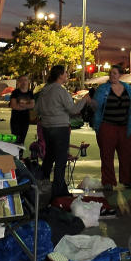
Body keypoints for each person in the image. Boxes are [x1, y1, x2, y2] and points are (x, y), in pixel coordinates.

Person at [35, 65, 87, 198]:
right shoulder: (60, 90)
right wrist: (84, 100)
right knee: (61, 159)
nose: (67, 75)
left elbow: (38, 109)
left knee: (49, 156)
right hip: (60, 127)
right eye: (65, 73)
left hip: (47, 127)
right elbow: (73, 109)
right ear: (60, 75)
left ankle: (42, 182)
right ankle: (58, 189)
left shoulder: (45, 90)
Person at [92, 65, 131, 191]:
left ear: (120, 75)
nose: (112, 75)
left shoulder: (127, 87)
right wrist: (90, 102)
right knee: (107, 154)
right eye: (111, 73)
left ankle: (127, 180)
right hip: (107, 126)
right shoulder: (103, 88)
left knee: (126, 154)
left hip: (124, 126)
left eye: (114, 73)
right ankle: (108, 182)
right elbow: (96, 106)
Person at [9, 74, 35, 144]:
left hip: (25, 119)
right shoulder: (15, 92)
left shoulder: (30, 93)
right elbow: (13, 106)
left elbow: (32, 105)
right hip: (15, 119)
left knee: (22, 139)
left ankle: (20, 154)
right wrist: (26, 106)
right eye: (22, 80)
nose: (24, 82)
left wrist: (21, 106)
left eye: (25, 80)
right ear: (19, 82)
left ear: (28, 82)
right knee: (16, 139)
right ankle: (15, 154)